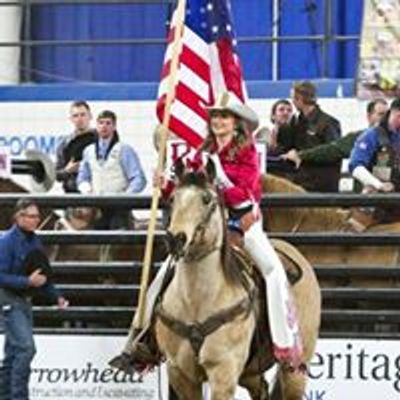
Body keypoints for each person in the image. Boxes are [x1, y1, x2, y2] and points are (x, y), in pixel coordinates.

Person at [109, 92, 303, 374]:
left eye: (223, 116)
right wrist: (164, 185)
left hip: (241, 224)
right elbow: (187, 187)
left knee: (273, 270)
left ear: (236, 123)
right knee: (162, 275)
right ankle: (140, 343)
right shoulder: (201, 153)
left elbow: (248, 193)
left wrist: (221, 181)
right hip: (205, 227)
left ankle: (284, 345)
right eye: (214, 116)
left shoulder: (248, 152)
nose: (217, 121)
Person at [0, 199, 68, 400]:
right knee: (26, 348)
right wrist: (27, 281)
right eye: (31, 216)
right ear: (19, 217)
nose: (36, 220)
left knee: (14, 353)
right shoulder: (6, 242)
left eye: (37, 216)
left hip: (20, 301)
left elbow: (43, 274)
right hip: (9, 299)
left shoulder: (34, 241)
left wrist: (57, 297)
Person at [77, 110, 147, 229]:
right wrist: (87, 190)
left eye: (108, 123)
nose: (104, 126)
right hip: (97, 209)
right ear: (96, 126)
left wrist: (126, 197)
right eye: (101, 123)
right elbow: (82, 177)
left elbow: (139, 178)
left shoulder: (124, 150)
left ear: (114, 126)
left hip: (119, 210)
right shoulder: (88, 151)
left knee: (119, 244)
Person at [281, 98, 389, 168]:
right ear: (369, 116)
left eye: (387, 115)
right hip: (368, 196)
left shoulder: (394, 138)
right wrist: (301, 155)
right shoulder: (359, 138)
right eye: (381, 114)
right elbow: (332, 149)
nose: (385, 119)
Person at [277, 80, 342, 192]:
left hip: (322, 186)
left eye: (293, 98)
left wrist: (302, 156)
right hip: (300, 183)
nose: (292, 102)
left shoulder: (328, 123)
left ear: (300, 99)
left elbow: (333, 152)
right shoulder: (295, 122)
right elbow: (287, 147)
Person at [349, 97, 400, 222]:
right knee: (355, 230)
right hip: (375, 197)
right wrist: (378, 184)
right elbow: (356, 167)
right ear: (393, 112)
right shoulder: (371, 135)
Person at [55, 101, 97, 193]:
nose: (79, 119)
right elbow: (56, 175)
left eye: (83, 115)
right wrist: (67, 170)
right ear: (71, 119)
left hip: (96, 194)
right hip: (73, 196)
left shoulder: (100, 140)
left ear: (90, 116)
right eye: (75, 116)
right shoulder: (64, 144)